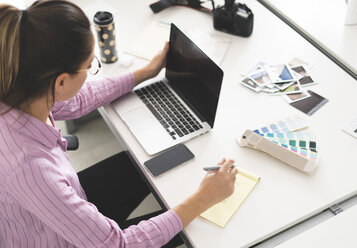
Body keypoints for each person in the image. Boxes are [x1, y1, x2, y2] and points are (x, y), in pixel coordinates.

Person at [0, 0, 238, 247]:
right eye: (89, 65)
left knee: (143, 166)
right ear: (60, 82)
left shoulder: (22, 90)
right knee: (192, 232)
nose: (92, 70)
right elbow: (117, 245)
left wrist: (146, 72)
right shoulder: (31, 169)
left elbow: (80, 99)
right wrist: (203, 199)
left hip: (56, 204)